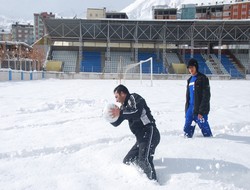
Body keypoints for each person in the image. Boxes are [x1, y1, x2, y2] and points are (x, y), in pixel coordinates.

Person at [110, 84, 160, 181]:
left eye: (116, 96)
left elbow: (136, 112)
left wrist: (120, 113)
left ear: (123, 93)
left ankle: (154, 184)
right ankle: (142, 174)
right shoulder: (123, 107)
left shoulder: (134, 97)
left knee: (144, 160)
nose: (116, 100)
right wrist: (109, 116)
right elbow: (117, 123)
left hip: (150, 132)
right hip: (141, 138)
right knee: (127, 161)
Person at [184, 58, 213, 138]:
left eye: (192, 67)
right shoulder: (189, 80)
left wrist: (202, 111)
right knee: (187, 130)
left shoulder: (203, 78)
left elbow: (206, 96)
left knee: (205, 130)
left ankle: (212, 144)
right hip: (190, 109)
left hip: (200, 109)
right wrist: (187, 111)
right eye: (189, 68)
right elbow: (188, 97)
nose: (191, 69)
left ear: (196, 67)